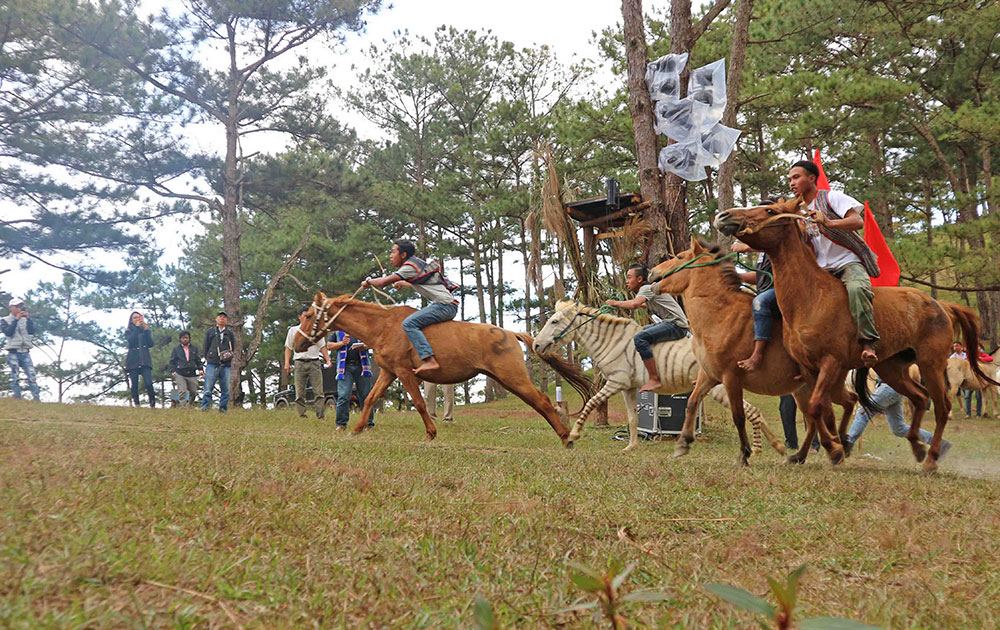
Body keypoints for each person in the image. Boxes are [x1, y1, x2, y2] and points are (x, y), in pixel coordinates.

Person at [789, 160, 881, 366]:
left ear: (812, 178)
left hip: (846, 262)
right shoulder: (796, 211)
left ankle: (868, 343)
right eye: (789, 180)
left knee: (857, 289)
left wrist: (828, 222)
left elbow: (857, 222)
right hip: (819, 269)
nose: (791, 183)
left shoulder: (832, 197)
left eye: (796, 177)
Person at [361, 240, 459, 376]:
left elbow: (383, 282)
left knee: (409, 323)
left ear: (403, 254)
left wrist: (368, 282)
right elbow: (423, 284)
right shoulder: (416, 263)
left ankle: (429, 359)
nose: (390, 255)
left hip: (444, 306)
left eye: (393, 251)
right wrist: (402, 282)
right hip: (447, 304)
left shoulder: (409, 267)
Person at [605, 263, 690, 392]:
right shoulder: (649, 289)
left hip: (676, 325)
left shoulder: (646, 289)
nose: (627, 281)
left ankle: (654, 379)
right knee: (640, 331)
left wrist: (615, 303)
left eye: (629, 277)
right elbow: (645, 304)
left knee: (640, 338)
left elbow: (634, 304)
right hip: (671, 322)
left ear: (639, 279)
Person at [733, 198, 783, 372]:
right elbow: (761, 276)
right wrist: (738, 277)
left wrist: (747, 247)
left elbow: (775, 245)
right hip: (766, 290)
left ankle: (757, 355)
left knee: (759, 302)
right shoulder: (762, 250)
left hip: (783, 292)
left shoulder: (776, 240)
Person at [843, 382, 951, 460]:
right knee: (899, 428)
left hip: (888, 388)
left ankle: (848, 444)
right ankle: (939, 443)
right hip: (898, 390)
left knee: (863, 413)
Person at [283, 306, 332, 419]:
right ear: (300, 317)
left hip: (314, 362)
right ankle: (302, 415)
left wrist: (327, 359)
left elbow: (322, 346)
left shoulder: (316, 331)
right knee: (299, 392)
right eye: (305, 316)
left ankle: (320, 415)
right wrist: (286, 363)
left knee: (318, 391)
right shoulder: (293, 330)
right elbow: (288, 348)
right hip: (299, 362)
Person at [328, 330, 374, 430]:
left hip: (362, 366)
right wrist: (341, 343)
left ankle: (368, 423)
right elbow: (329, 345)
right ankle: (341, 424)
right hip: (345, 368)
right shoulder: (338, 330)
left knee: (366, 396)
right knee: (343, 396)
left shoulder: (362, 328)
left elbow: (373, 342)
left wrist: (365, 346)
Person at [1, 297, 41, 400]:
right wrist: (16, 320)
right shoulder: (4, 320)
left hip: (25, 351)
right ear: (11, 308)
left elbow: (32, 331)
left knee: (32, 375)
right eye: (16, 306)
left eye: (20, 306)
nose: (19, 308)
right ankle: (17, 398)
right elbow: (8, 332)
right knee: (15, 377)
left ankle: (36, 398)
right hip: (13, 352)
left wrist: (28, 319)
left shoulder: (25, 320)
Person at [201, 311, 236, 412]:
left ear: (227, 320)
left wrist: (227, 358)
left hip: (226, 365)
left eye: (224, 317)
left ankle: (223, 409)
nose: (222, 319)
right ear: (216, 319)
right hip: (212, 363)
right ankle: (205, 407)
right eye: (220, 317)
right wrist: (209, 358)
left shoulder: (229, 333)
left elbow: (233, 347)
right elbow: (205, 347)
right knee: (208, 388)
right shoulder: (210, 332)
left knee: (226, 389)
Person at [124, 311, 156, 408]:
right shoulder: (128, 331)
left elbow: (150, 343)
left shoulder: (143, 330)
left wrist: (147, 331)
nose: (137, 319)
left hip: (144, 358)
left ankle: (152, 403)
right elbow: (131, 341)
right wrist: (137, 328)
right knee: (134, 384)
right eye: (135, 318)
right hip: (133, 359)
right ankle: (137, 404)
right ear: (131, 320)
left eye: (139, 317)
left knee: (149, 383)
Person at [169, 330, 203, 408]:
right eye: (183, 338)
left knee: (194, 392)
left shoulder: (194, 348)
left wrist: (200, 369)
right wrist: (173, 371)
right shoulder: (176, 349)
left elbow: (198, 360)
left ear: (189, 338)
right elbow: (172, 361)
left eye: (186, 338)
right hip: (180, 373)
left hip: (192, 373)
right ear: (180, 339)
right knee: (182, 391)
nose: (185, 339)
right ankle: (183, 407)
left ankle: (189, 405)